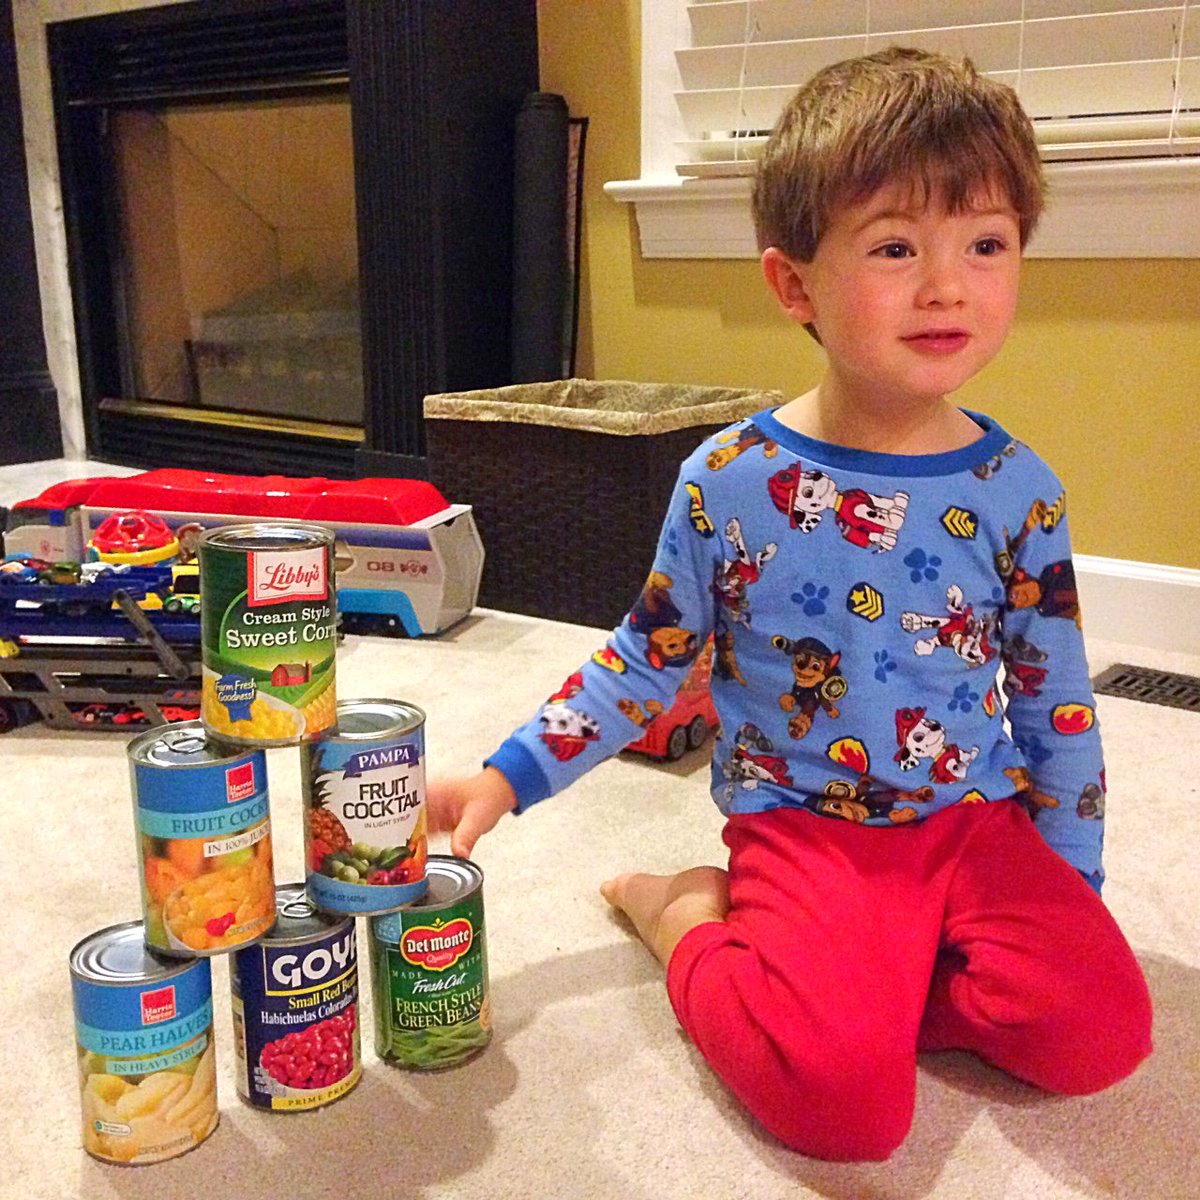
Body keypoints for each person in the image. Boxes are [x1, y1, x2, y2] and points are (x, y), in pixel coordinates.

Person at [428, 47, 1153, 1161]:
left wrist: (1074, 893)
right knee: (844, 1110)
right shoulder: (731, 481)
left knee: (1101, 1034)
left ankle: (871, 986)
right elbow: (645, 660)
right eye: (897, 246)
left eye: (987, 243)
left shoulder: (1020, 491)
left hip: (975, 828)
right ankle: (679, 914)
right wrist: (507, 774)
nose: (949, 284)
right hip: (809, 831)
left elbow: (1058, 707)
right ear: (794, 283)